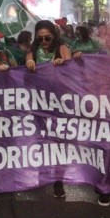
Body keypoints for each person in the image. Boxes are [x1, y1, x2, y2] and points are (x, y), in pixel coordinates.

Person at [25, 20, 76, 198]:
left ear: (54, 36)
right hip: (39, 103)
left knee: (61, 143)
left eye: (47, 38)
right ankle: (42, 175)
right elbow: (28, 62)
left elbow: (72, 69)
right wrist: (30, 64)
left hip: (61, 104)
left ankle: (58, 180)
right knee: (41, 141)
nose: (44, 41)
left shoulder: (61, 48)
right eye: (40, 39)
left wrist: (64, 63)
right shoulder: (33, 51)